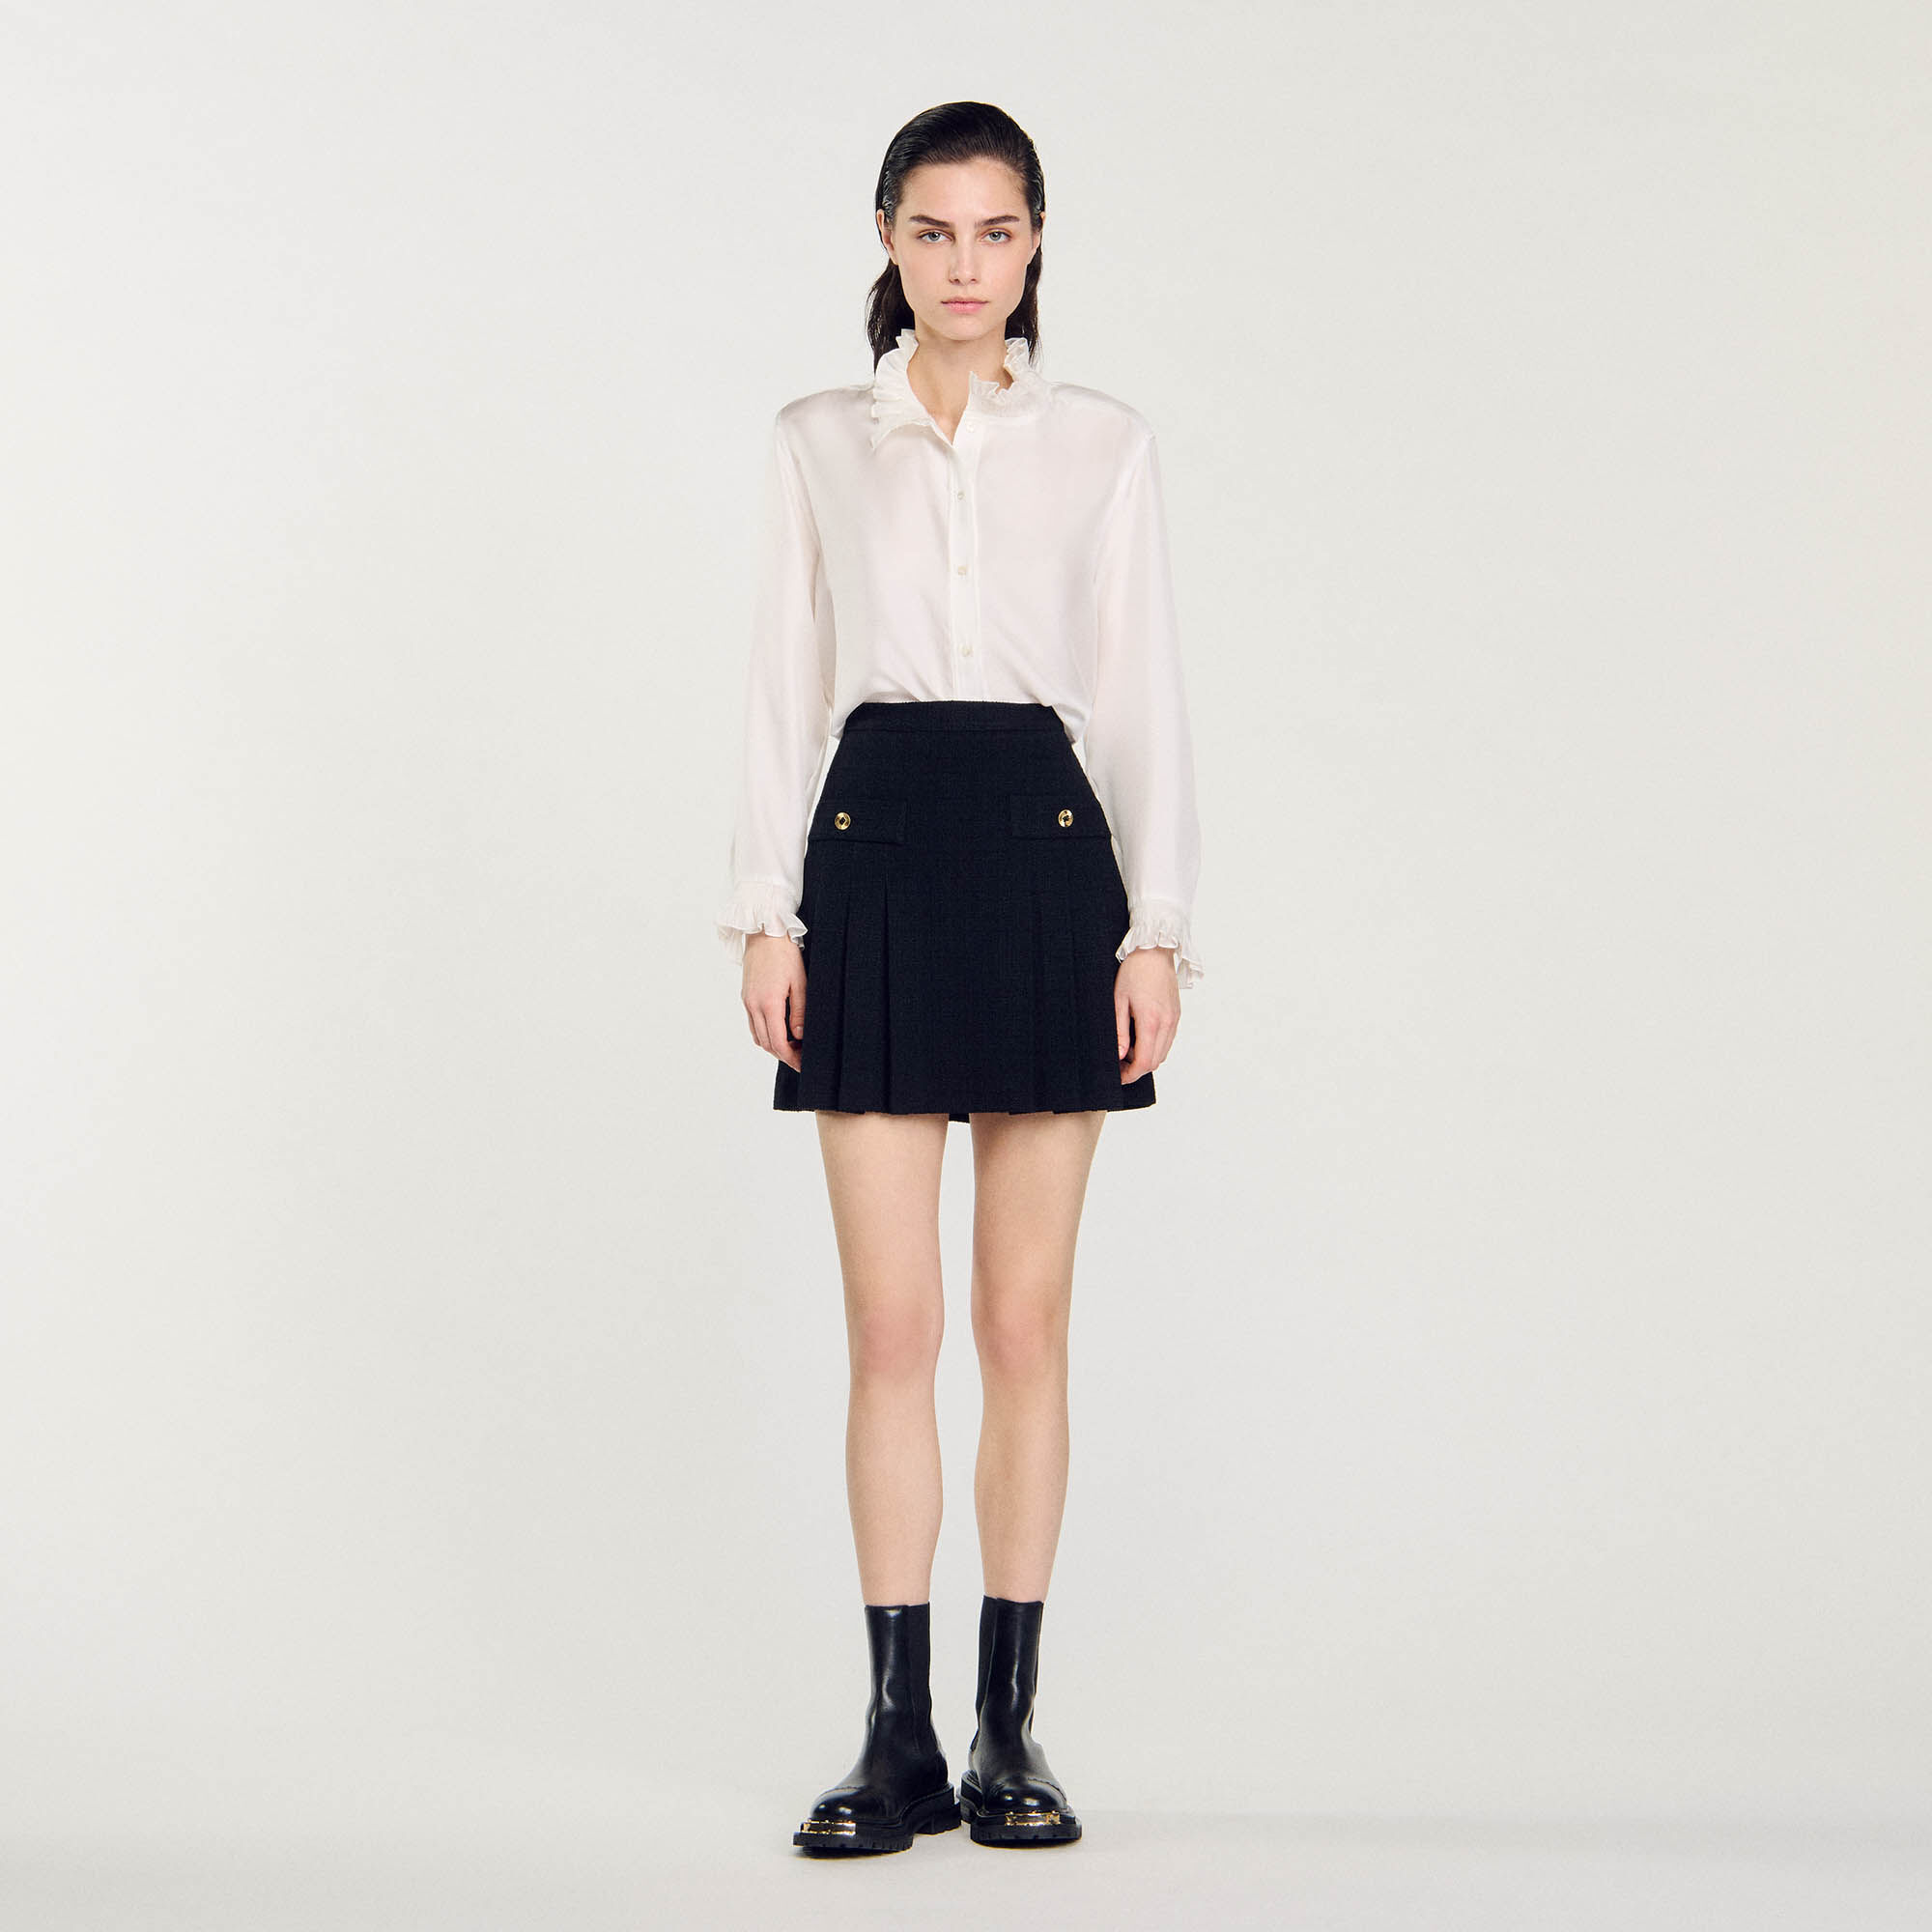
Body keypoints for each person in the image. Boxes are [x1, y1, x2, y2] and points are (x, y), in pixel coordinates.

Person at [714, 100, 1206, 1855]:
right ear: (887, 239)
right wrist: (763, 909)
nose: (966, 265)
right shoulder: (816, 441)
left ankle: (1009, 1731)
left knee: (1020, 1323)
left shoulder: (1102, 443)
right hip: (874, 857)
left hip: (1049, 864)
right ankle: (893, 1734)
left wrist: (1158, 928)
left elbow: (1139, 691)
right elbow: (782, 681)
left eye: (996, 232)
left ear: (1038, 239)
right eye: (933, 232)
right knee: (891, 1329)